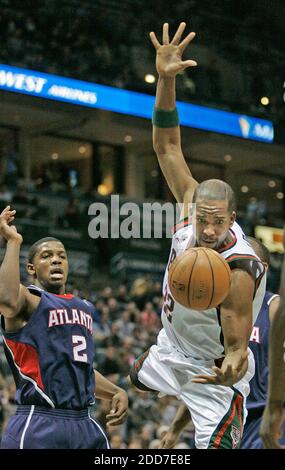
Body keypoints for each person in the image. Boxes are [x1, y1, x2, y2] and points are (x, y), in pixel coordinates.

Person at [128, 22, 266, 449]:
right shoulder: (191, 204)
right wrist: (166, 80)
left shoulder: (239, 268)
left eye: (217, 222)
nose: (207, 230)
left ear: (233, 218)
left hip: (211, 372)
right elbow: (167, 145)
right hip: (171, 346)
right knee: (132, 378)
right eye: (202, 219)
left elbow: (239, 343)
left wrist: (235, 364)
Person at [0, 206, 128, 449]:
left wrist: (114, 391)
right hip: (39, 421)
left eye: (61, 255)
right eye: (46, 256)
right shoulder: (28, 299)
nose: (56, 259)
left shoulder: (86, 307)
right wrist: (13, 242)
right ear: (31, 269)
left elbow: (79, 367)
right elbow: (5, 300)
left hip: (84, 423)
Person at [158, 238, 285, 449]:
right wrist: (175, 429)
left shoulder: (274, 307)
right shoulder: (216, 312)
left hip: (261, 419)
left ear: (261, 269)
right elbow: (204, 377)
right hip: (225, 418)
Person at [260, 228, 285, 449]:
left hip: (264, 412)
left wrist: (276, 405)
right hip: (231, 414)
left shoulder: (273, 306)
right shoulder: (221, 307)